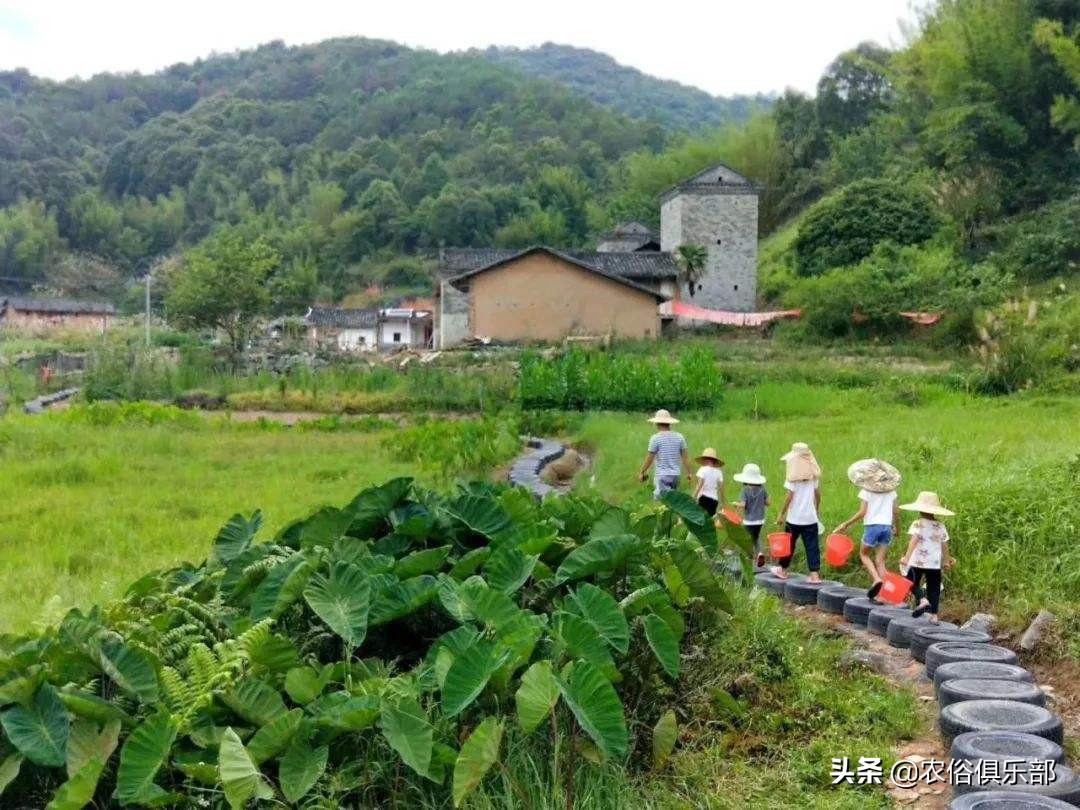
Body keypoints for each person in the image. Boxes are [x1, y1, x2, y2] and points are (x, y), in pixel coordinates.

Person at [834, 458, 901, 600]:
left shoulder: (866, 491)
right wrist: (898, 528)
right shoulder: (891, 492)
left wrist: (846, 524)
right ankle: (883, 595)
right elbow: (896, 512)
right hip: (887, 527)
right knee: (880, 561)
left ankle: (876, 579)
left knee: (864, 555)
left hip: (872, 527)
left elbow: (862, 512)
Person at [899, 491, 956, 623]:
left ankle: (922, 600)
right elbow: (944, 544)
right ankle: (934, 616)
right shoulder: (940, 526)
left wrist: (906, 558)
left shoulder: (917, 523)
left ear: (919, 509)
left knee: (909, 583)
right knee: (934, 588)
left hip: (917, 561)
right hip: (934, 563)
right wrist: (946, 561)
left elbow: (913, 540)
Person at [773, 442, 822, 583]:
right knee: (812, 546)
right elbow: (818, 495)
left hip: (794, 518)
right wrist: (816, 510)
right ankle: (814, 575)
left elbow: (789, 496)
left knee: (789, 545)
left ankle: (783, 570)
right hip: (810, 518)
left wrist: (781, 513)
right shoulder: (813, 477)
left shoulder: (792, 478)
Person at [638, 409, 692, 499]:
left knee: (661, 501)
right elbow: (685, 457)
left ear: (656, 423)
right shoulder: (679, 437)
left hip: (662, 475)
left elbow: (649, 458)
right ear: (669, 423)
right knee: (673, 502)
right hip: (675, 475)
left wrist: (642, 472)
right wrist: (689, 473)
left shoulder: (655, 438)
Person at [732, 462, 769, 567]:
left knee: (747, 539)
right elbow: (768, 503)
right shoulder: (762, 489)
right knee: (756, 537)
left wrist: (736, 504)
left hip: (749, 520)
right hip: (760, 520)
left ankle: (749, 558)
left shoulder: (745, 490)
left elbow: (743, 505)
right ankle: (760, 553)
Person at [692, 448, 725, 516]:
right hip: (714, 500)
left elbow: (699, 484)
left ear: (705, 460)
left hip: (703, 498)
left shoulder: (702, 469)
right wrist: (722, 502)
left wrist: (693, 497)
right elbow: (721, 489)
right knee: (710, 520)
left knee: (701, 518)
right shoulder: (719, 472)